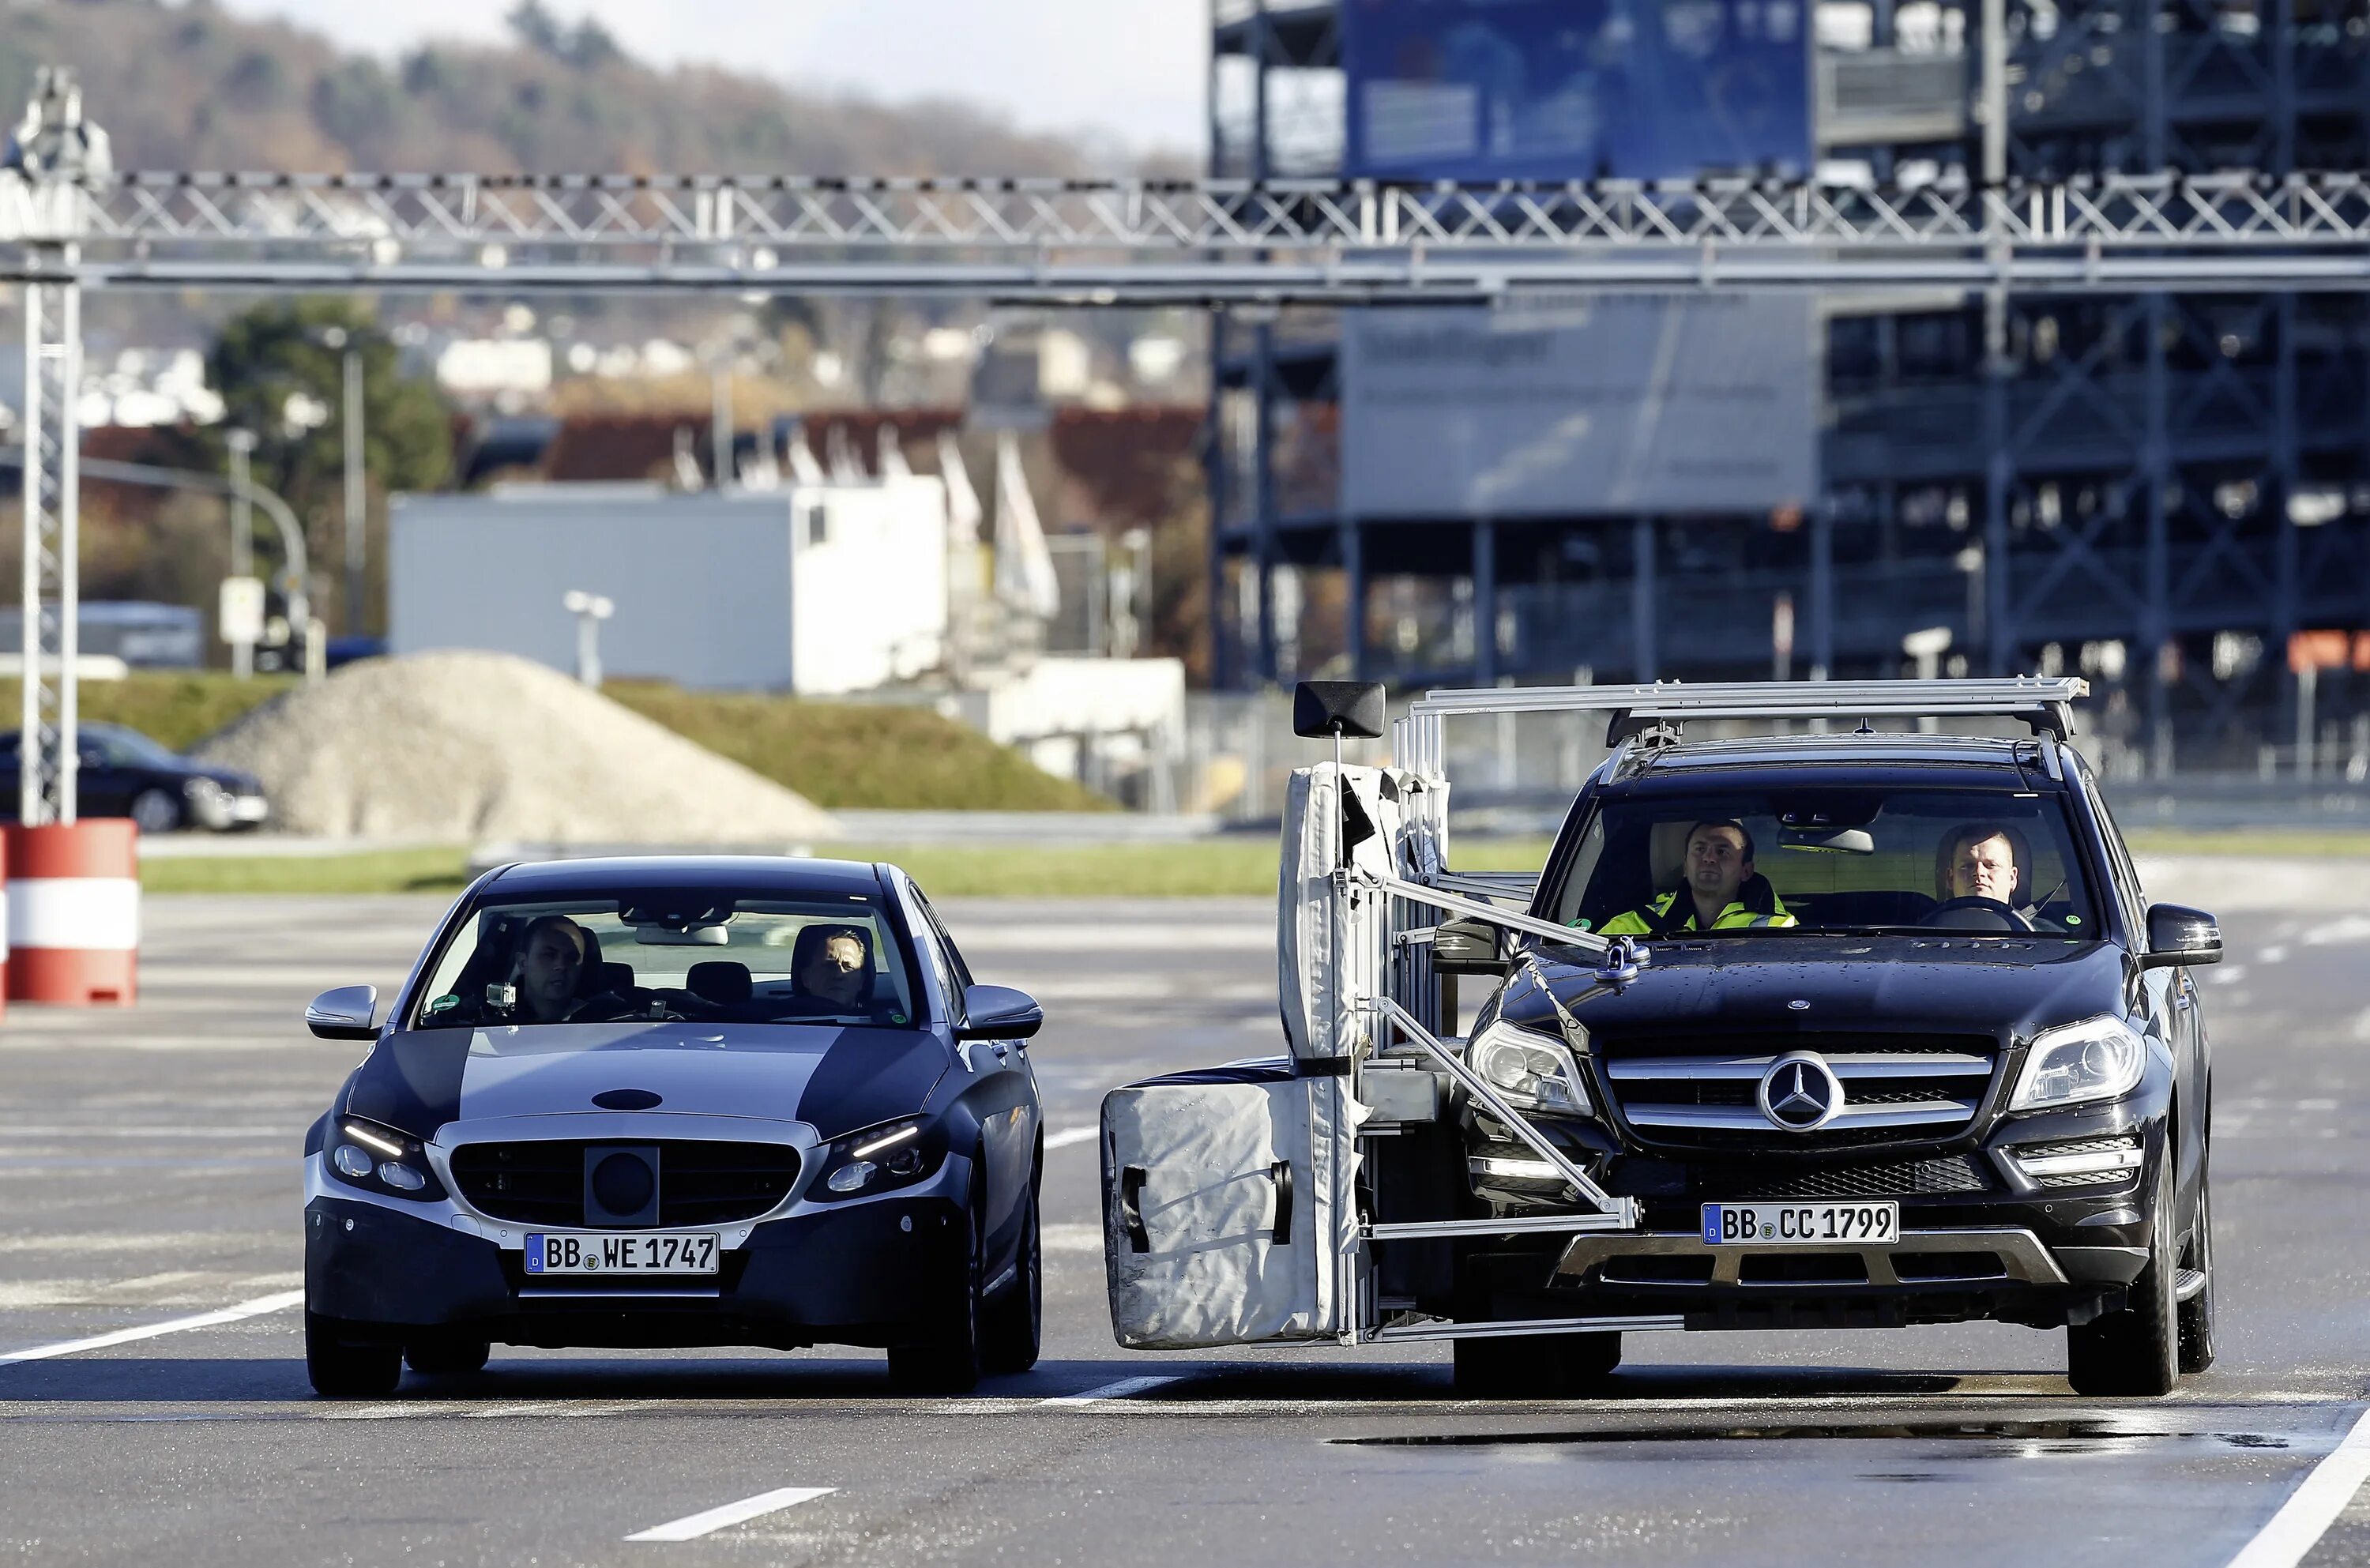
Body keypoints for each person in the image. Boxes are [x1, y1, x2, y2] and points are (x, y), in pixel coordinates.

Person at [1601, 819, 1796, 935]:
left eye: (1722, 851)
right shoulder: (1631, 927)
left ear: (1746, 871)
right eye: (1700, 849)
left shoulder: (1780, 929)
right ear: (1685, 866)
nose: (1709, 858)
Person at [1934, 822, 2032, 908]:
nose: (1979, 872)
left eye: (1991, 865)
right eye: (1967, 865)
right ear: (1950, 878)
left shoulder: (2041, 929)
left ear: (2012, 878)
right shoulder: (1925, 926)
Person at [791, 924, 871, 1010]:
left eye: (848, 967)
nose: (838, 975)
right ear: (806, 978)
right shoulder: (783, 1020)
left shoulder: (879, 1022)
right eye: (829, 965)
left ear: (861, 981)